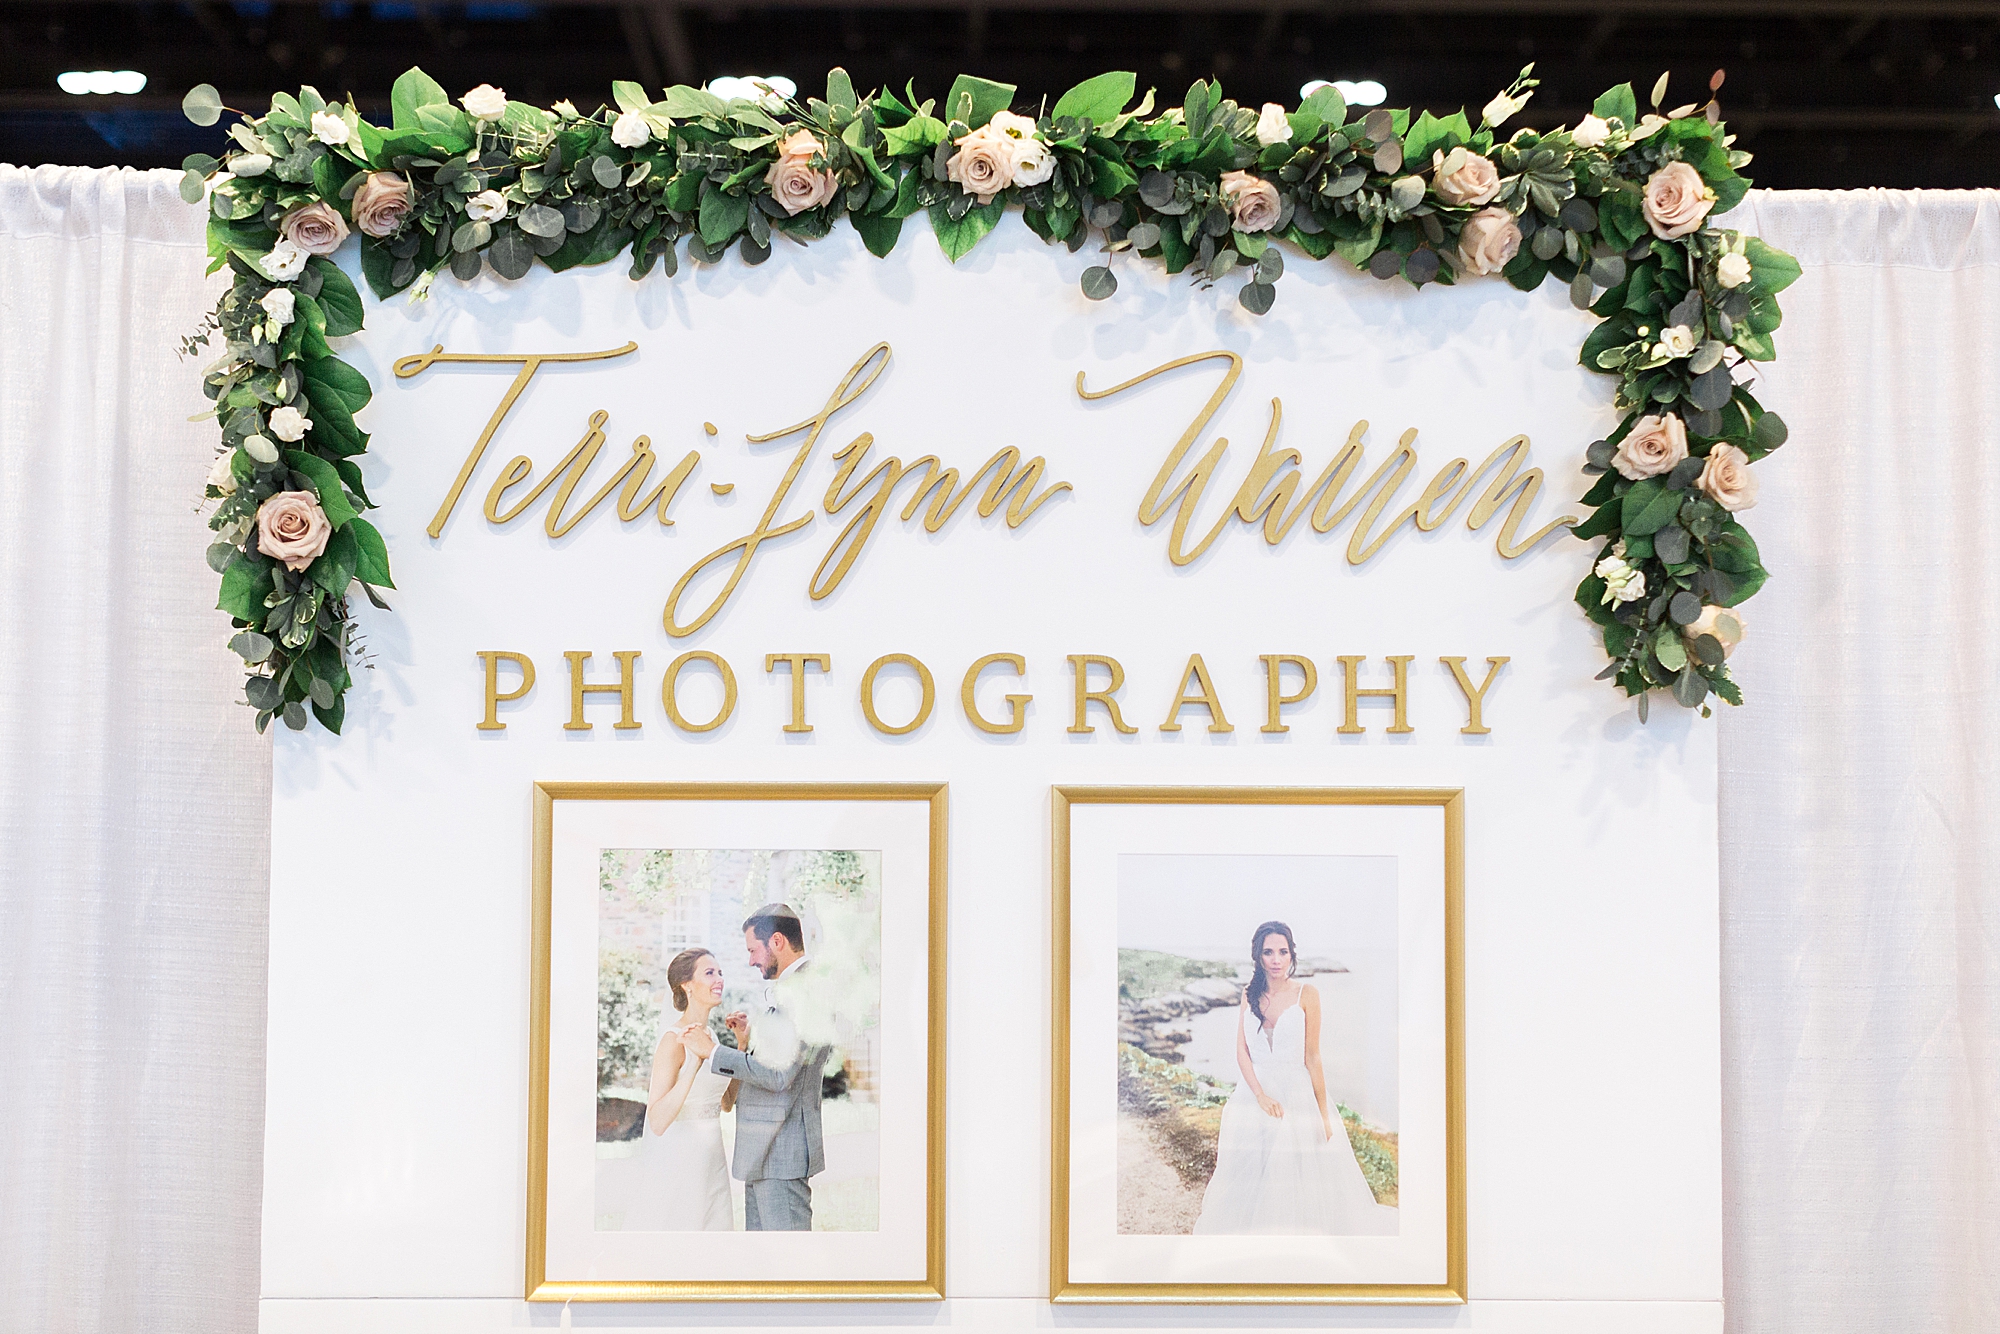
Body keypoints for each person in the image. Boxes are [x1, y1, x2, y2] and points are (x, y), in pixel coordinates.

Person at [1193, 920, 1397, 1235]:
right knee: (1251, 1173)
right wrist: (1260, 1095)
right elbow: (1242, 1052)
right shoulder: (1249, 994)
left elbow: (1312, 1057)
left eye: (1283, 952)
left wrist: (1323, 1115)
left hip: (1296, 1095)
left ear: (1292, 955)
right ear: (1258, 956)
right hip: (1253, 1098)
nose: (1276, 959)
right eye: (1268, 952)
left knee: (1297, 1174)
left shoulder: (1307, 993)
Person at [683, 903, 828, 1231]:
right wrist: (748, 1040)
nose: (750, 960)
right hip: (765, 1151)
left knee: (787, 1265)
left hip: (782, 1152)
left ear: (777, 941)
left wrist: (714, 1052)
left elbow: (780, 1074)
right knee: (763, 1263)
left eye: (752, 950)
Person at [620, 948, 737, 1231]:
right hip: (680, 1159)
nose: (719, 978)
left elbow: (726, 1103)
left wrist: (741, 1046)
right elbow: (657, 1121)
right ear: (687, 985)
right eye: (709, 973)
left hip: (712, 1161)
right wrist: (693, 1065)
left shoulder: (710, 1036)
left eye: (720, 972)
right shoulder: (674, 1040)